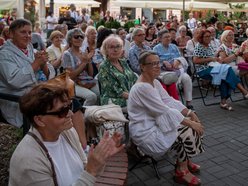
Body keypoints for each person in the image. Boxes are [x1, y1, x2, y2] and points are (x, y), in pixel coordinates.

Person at [9, 83, 125, 185]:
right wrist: (91, 170)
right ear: (39, 120)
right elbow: (88, 174)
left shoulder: (67, 132)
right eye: (62, 111)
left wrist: (99, 160)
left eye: (69, 107)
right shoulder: (29, 161)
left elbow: (85, 171)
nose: (70, 113)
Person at [128, 50, 204, 186]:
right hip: (146, 133)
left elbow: (169, 101)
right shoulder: (142, 87)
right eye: (152, 64)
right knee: (187, 130)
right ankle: (181, 171)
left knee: (190, 124)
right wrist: (191, 123)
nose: (157, 66)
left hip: (155, 124)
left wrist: (190, 113)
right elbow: (165, 111)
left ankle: (184, 160)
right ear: (142, 67)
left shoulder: (154, 82)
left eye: (158, 62)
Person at [0, 18, 54, 127]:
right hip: (16, 100)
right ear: (11, 34)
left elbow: (50, 74)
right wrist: (36, 64)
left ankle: (81, 143)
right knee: (55, 113)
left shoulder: (31, 50)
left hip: (36, 95)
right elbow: (15, 81)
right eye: (23, 32)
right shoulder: (4, 54)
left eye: (29, 32)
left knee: (70, 104)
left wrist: (43, 65)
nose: (27, 35)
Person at [193, 29, 248, 111]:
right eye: (206, 36)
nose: (209, 38)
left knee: (225, 75)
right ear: (201, 37)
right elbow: (195, 60)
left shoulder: (210, 45)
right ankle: (244, 92)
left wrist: (216, 58)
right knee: (228, 71)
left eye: (210, 36)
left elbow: (214, 57)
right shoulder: (199, 46)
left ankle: (224, 102)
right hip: (204, 70)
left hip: (214, 67)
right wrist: (211, 59)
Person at [153, 29, 194, 109]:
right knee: (172, 81)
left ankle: (188, 103)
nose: (168, 38)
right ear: (160, 39)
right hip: (164, 72)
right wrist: (163, 63)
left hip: (176, 70)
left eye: (169, 36)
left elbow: (180, 57)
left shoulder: (174, 46)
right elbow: (155, 62)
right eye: (166, 37)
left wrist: (178, 61)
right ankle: (174, 105)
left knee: (187, 78)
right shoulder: (156, 49)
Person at [62, 28, 99, 106]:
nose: (79, 38)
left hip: (86, 81)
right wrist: (84, 62)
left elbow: (90, 74)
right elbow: (71, 76)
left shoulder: (83, 53)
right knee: (91, 97)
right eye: (76, 37)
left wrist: (88, 61)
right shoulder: (67, 54)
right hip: (73, 83)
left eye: (81, 37)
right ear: (70, 39)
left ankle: (94, 115)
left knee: (100, 94)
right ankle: (82, 115)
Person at [98, 35, 137, 108]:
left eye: (118, 46)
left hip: (129, 97)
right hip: (113, 101)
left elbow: (134, 79)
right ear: (106, 50)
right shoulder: (104, 67)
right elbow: (115, 91)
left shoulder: (123, 62)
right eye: (111, 47)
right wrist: (135, 97)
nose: (115, 50)